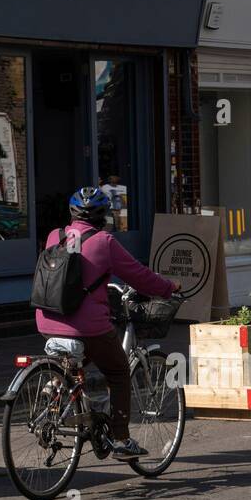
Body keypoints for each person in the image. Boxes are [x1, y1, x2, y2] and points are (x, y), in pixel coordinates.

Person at [35, 186, 180, 460]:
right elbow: (139, 276)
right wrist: (168, 287)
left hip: (47, 320)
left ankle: (56, 386)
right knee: (117, 371)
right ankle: (122, 439)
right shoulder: (105, 241)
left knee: (79, 357)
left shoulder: (55, 235)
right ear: (104, 215)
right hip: (86, 327)